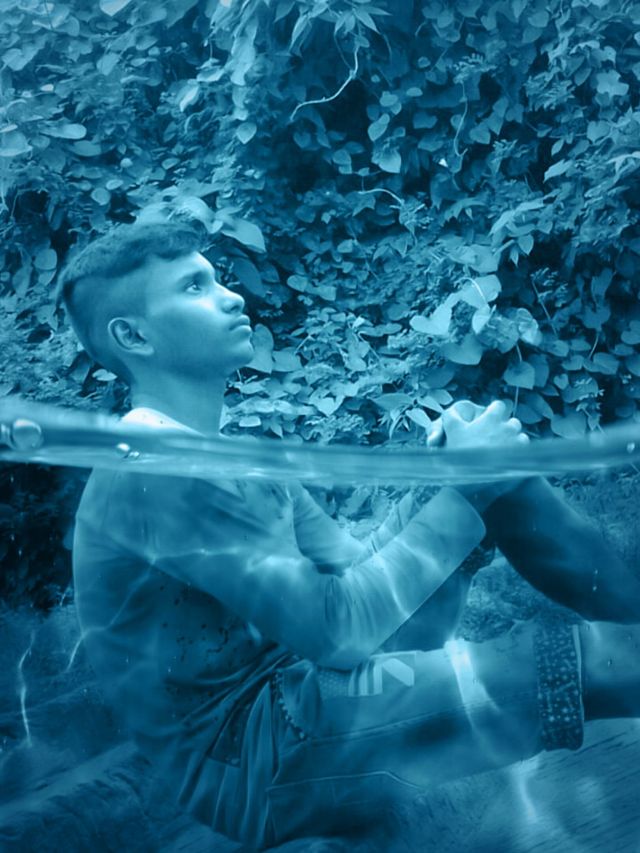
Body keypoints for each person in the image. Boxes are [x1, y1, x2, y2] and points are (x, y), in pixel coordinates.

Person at [56, 221, 640, 849]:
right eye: (194, 287)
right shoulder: (157, 469)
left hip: (308, 688)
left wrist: (458, 476)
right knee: (574, 657)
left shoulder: (229, 457)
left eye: (218, 279)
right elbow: (338, 631)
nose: (230, 296)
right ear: (133, 336)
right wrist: (463, 489)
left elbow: (354, 571)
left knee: (499, 475)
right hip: (255, 757)